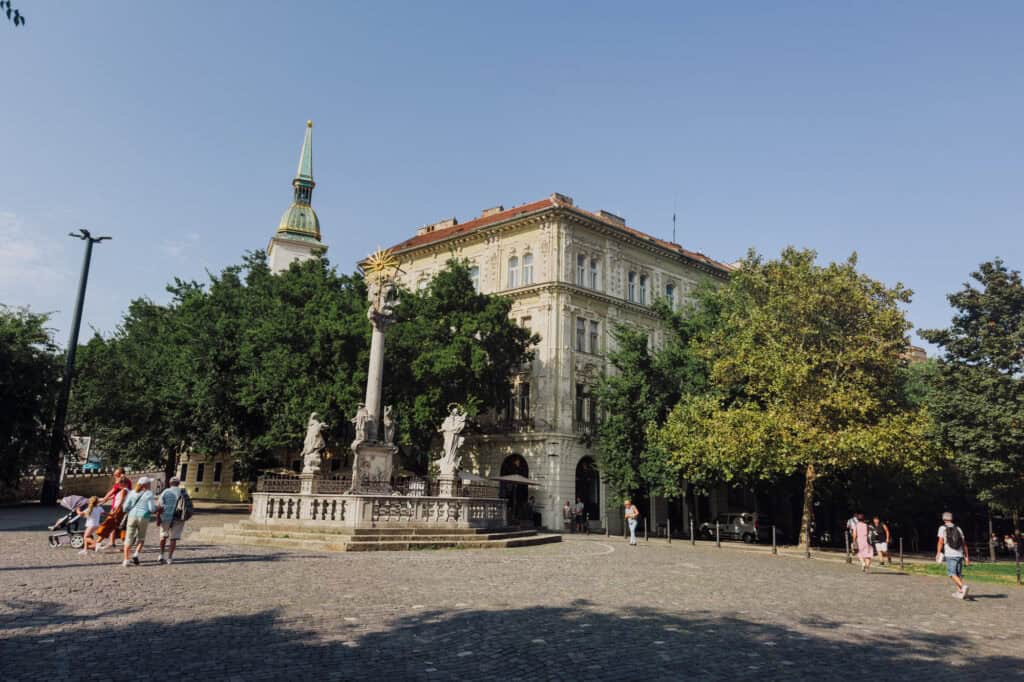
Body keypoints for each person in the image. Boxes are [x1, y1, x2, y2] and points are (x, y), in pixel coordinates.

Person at [122, 477, 156, 567]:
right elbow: (152, 509)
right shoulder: (149, 493)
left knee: (128, 538)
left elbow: (125, 507)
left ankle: (126, 560)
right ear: (145, 485)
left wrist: (129, 510)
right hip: (144, 517)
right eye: (149, 483)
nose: (150, 484)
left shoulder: (132, 492)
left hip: (132, 516)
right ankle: (136, 554)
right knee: (141, 538)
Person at [156, 477, 191, 565]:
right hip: (179, 517)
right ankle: (170, 558)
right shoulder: (183, 492)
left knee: (163, 536)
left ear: (169, 483)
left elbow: (159, 506)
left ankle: (161, 555)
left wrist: (158, 517)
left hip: (165, 517)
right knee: (173, 538)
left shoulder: (165, 491)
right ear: (178, 483)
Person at [95, 468, 132, 550]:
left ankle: (97, 543)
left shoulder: (123, 484)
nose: (115, 476)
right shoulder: (125, 484)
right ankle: (113, 543)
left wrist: (114, 510)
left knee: (108, 524)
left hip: (118, 509)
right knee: (114, 526)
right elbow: (115, 495)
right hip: (120, 509)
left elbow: (117, 497)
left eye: (116, 474)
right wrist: (104, 500)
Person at [936, 511, 970, 599]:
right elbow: (964, 544)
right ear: (952, 519)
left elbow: (940, 542)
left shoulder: (942, 528)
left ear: (944, 519)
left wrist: (938, 553)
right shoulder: (958, 528)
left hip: (950, 554)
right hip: (959, 554)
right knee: (958, 574)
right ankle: (960, 592)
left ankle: (963, 587)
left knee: (951, 573)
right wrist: (967, 557)